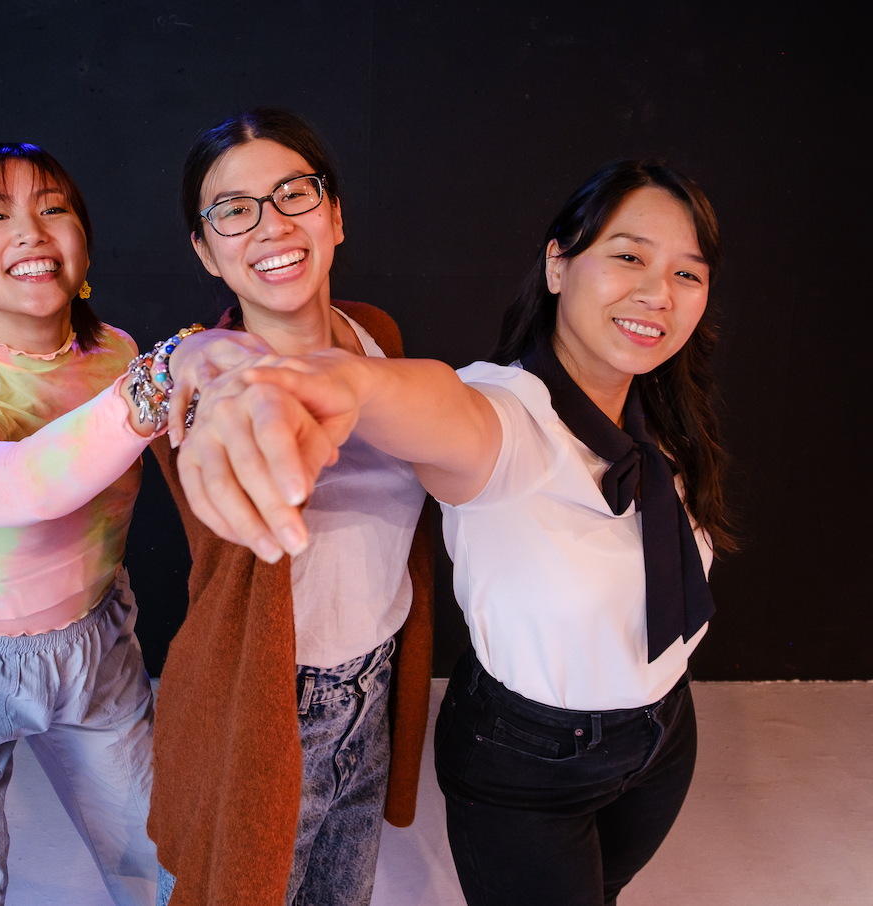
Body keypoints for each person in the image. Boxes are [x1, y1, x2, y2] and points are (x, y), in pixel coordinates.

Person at [174, 159, 736, 906]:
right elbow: (428, 400)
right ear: (559, 264)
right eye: (629, 256)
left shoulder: (662, 410)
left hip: (664, 732)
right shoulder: (503, 416)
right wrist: (321, 381)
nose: (657, 293)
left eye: (687, 274)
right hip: (534, 765)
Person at [0, 142, 220, 906]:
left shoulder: (118, 355)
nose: (32, 230)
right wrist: (160, 380)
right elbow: (22, 489)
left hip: (95, 650)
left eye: (53, 208)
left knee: (160, 870)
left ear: (83, 241)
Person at [144, 109, 435, 906]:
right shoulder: (210, 390)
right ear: (205, 249)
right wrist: (189, 354)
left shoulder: (375, 334)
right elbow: (189, 413)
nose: (270, 223)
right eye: (234, 209)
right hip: (267, 707)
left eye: (292, 194)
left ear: (334, 214)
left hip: (369, 693)